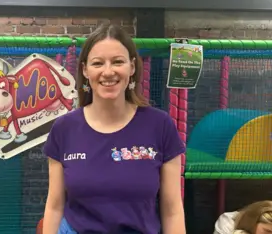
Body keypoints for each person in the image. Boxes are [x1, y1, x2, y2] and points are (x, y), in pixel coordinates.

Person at [42, 24, 186, 234]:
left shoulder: (160, 126)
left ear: (132, 67)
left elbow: (172, 210)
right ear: (85, 70)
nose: (108, 72)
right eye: (98, 63)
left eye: (118, 62)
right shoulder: (64, 129)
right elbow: (54, 206)